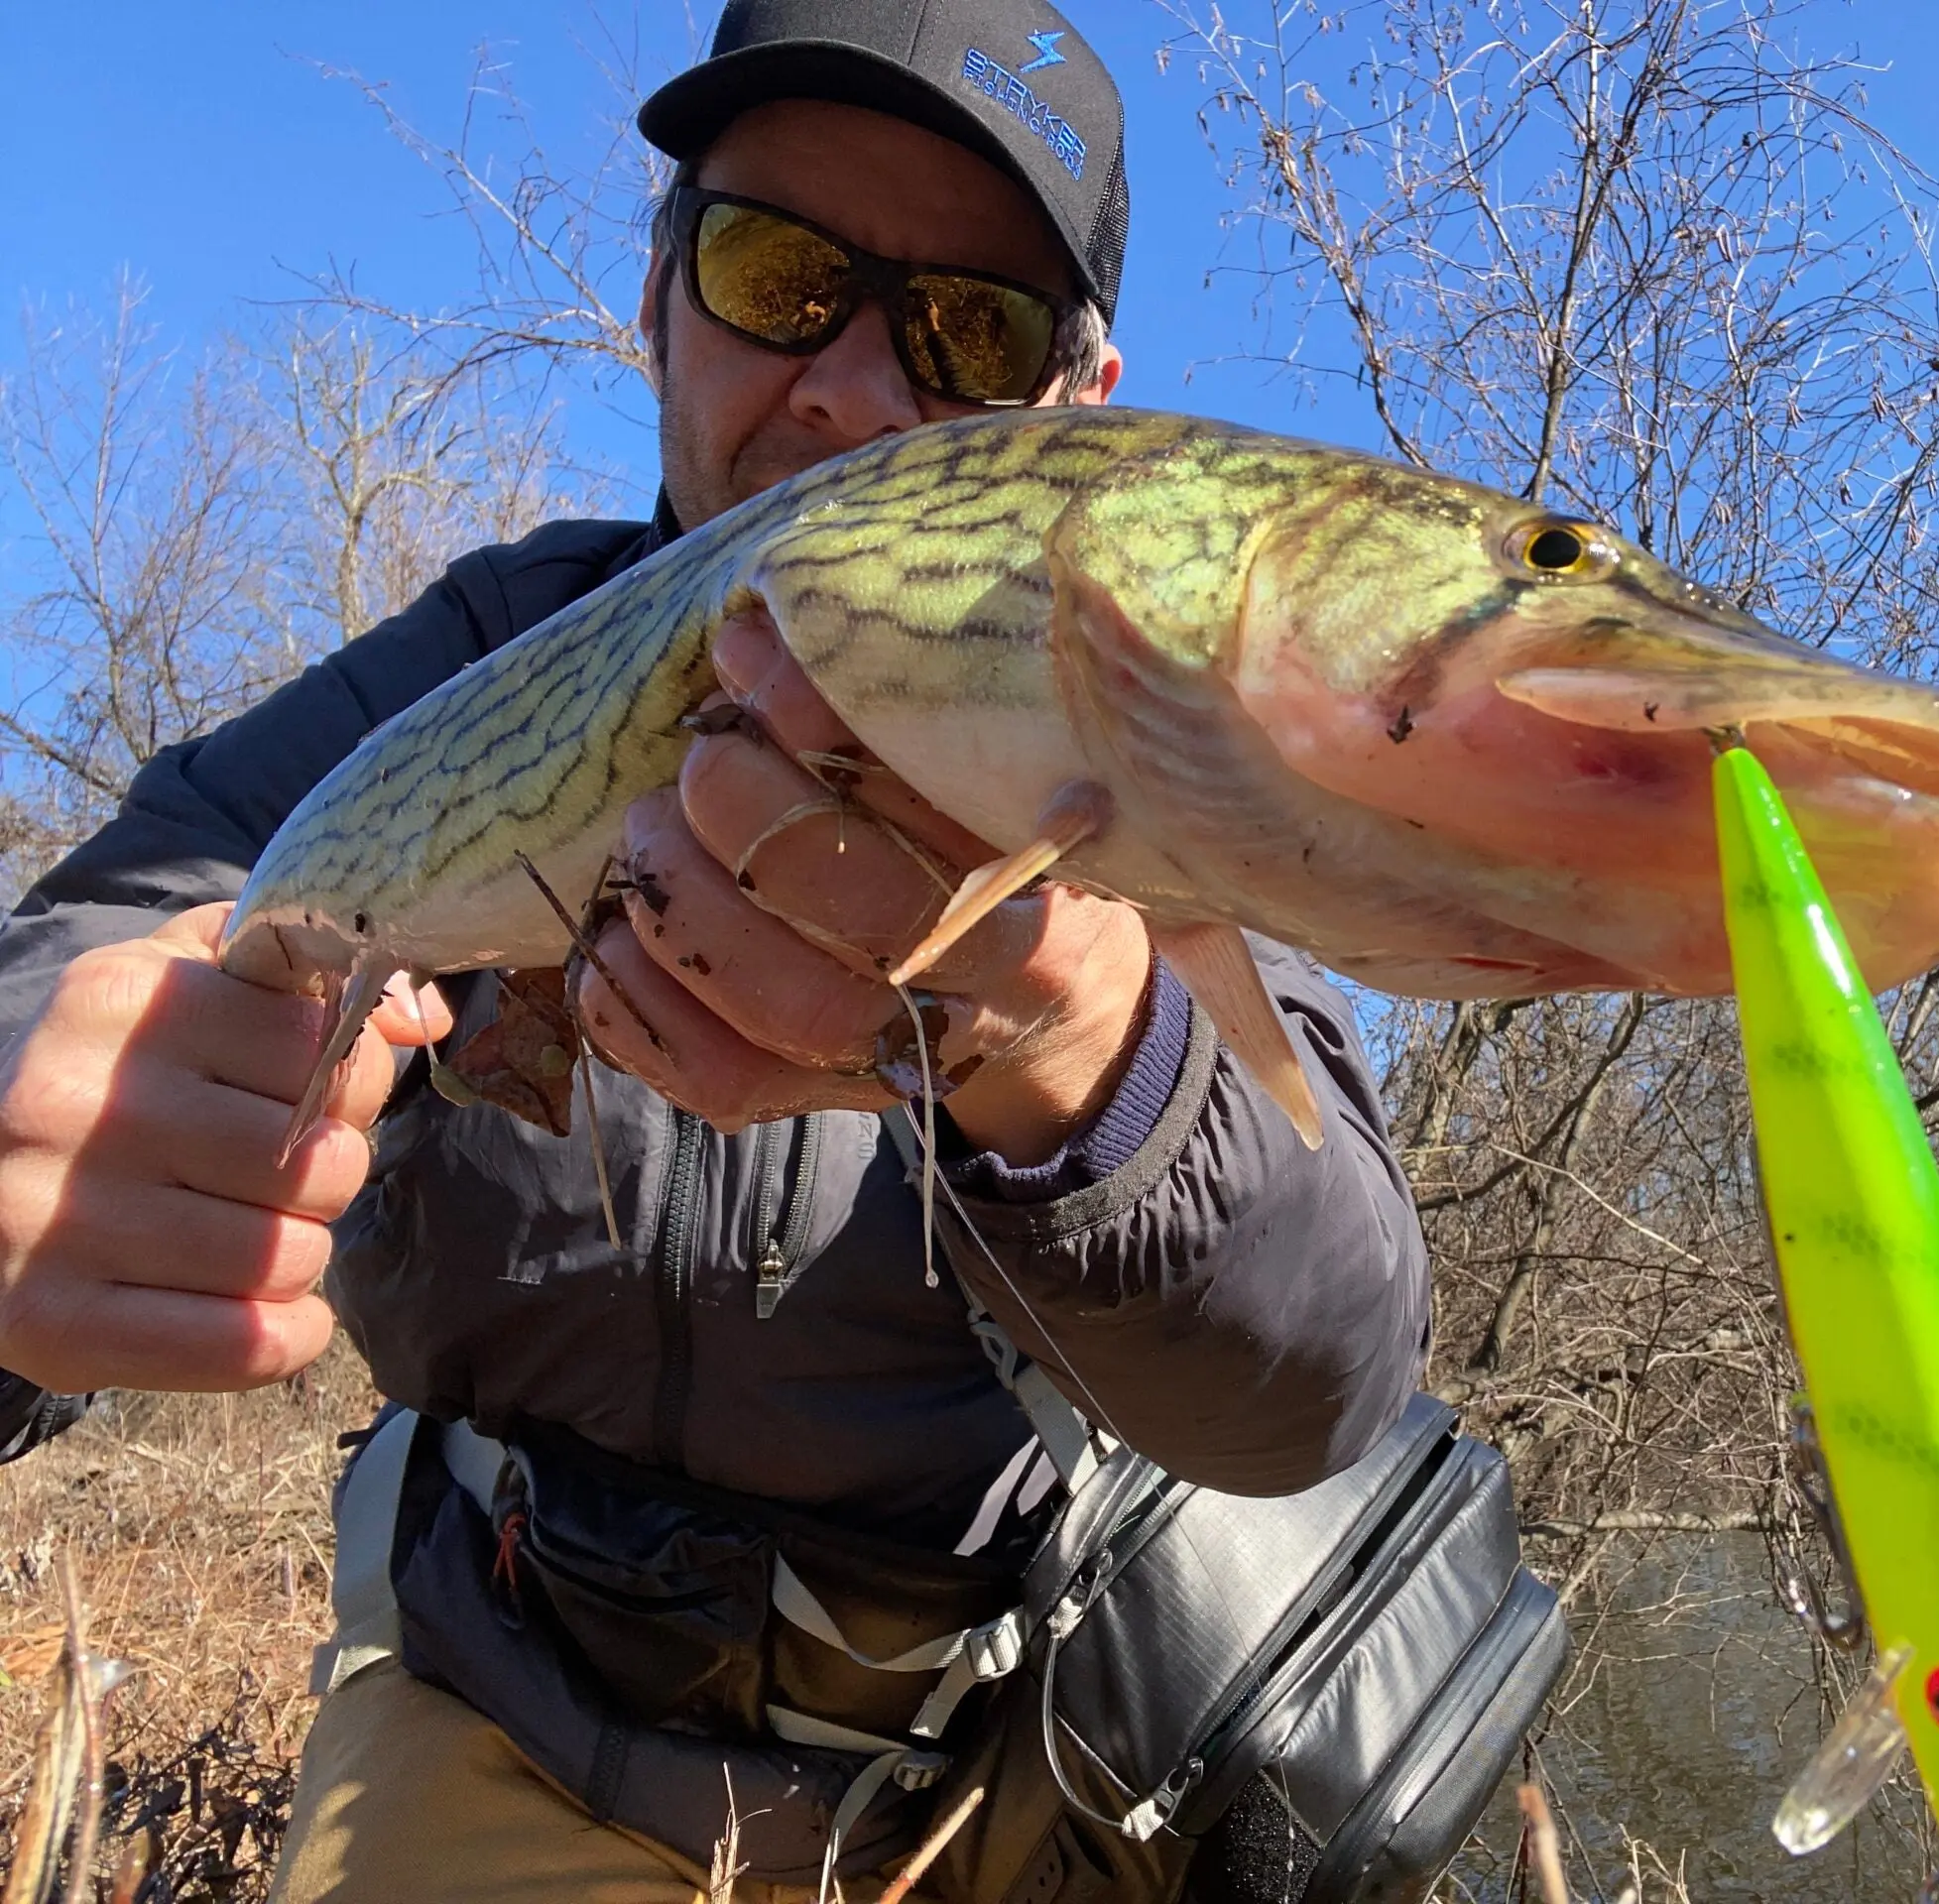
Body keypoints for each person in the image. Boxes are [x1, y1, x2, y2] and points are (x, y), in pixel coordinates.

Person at [0, 3, 1431, 1897]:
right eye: (781, 275)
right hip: (506, 1711)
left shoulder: (1143, 774)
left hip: (1026, 1772)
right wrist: (48, 1127)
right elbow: (112, 923)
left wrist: (1083, 1040)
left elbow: (1323, 1372)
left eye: (968, 333)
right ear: (658, 296)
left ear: (1073, 410)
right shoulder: (475, 664)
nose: (847, 390)